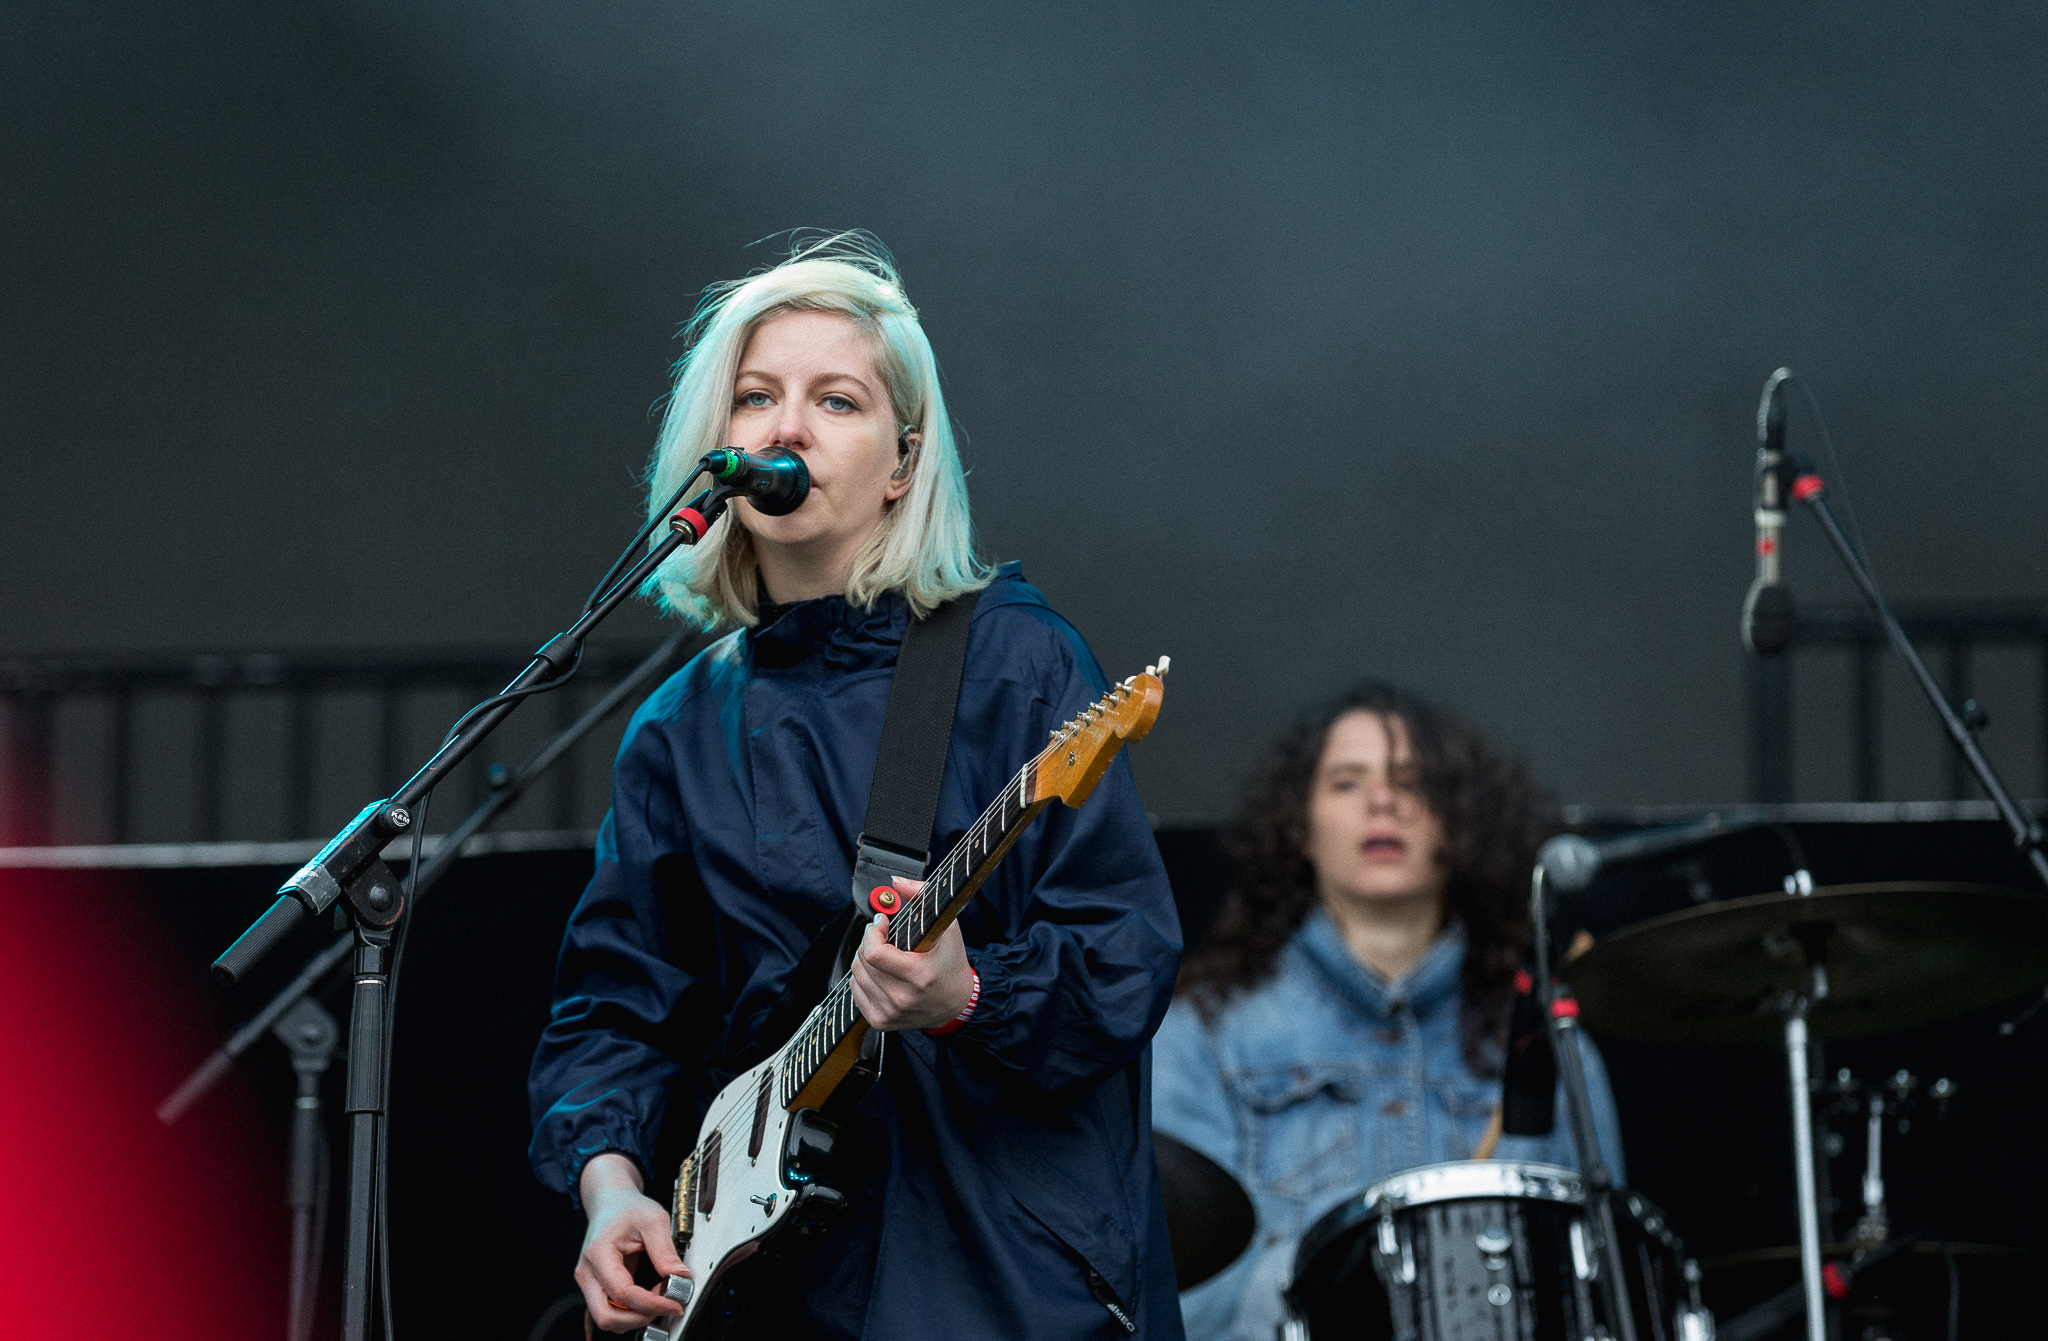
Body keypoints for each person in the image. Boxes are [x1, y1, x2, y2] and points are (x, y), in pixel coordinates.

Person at [526, 233, 1186, 1340]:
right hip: (770, 1288)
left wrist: (968, 999)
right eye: (753, 398)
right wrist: (612, 1188)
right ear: (716, 445)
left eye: (835, 400)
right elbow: (615, 1003)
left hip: (1000, 1278)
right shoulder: (679, 726)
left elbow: (1127, 953)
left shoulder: (1014, 662)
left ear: (901, 462)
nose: (783, 427)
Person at [1151, 682, 1625, 1341]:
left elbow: (1604, 1290)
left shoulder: (1546, 1033)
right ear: (1302, 830)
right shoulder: (1200, 1031)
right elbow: (1172, 1301)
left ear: (1459, 824)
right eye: (1347, 782)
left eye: (1412, 780)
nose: (1383, 799)